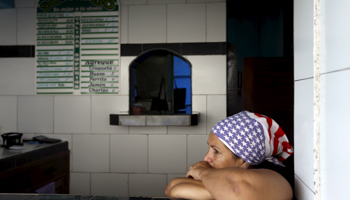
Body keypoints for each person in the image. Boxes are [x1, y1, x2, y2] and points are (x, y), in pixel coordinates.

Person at [165, 110, 294, 200]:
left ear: (244, 161)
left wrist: (203, 173)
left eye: (216, 151)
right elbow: (173, 187)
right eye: (209, 148)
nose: (206, 158)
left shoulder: (275, 179)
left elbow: (235, 191)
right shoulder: (222, 182)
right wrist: (213, 184)